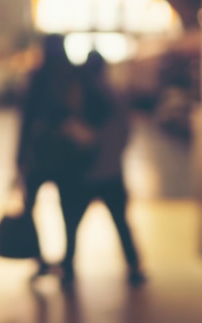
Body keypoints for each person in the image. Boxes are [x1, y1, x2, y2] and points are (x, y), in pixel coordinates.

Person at [16, 33, 98, 282]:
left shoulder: (37, 78)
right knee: (69, 211)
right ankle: (69, 261)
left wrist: (19, 157)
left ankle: (39, 259)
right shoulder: (75, 78)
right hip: (68, 157)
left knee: (30, 207)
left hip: (39, 156)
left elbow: (26, 121)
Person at [60, 50, 145, 285]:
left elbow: (79, 136)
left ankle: (68, 267)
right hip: (112, 172)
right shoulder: (117, 96)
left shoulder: (82, 97)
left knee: (73, 223)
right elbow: (127, 133)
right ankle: (134, 265)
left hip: (85, 174)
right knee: (121, 222)